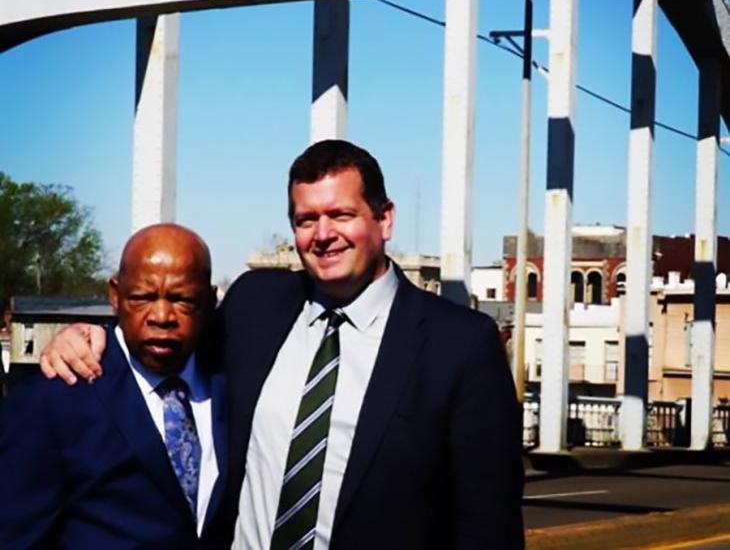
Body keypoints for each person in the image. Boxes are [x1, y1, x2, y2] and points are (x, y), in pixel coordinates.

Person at [41, 140, 525, 549]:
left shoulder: (459, 344)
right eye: (305, 219)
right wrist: (92, 335)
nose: (323, 235)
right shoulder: (256, 305)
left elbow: (488, 524)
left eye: (341, 214)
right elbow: (163, 346)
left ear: (385, 219)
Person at [0, 223, 227, 549]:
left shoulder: (232, 379)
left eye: (182, 299)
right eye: (142, 297)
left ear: (209, 300)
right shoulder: (53, 399)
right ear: (115, 296)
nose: (161, 315)